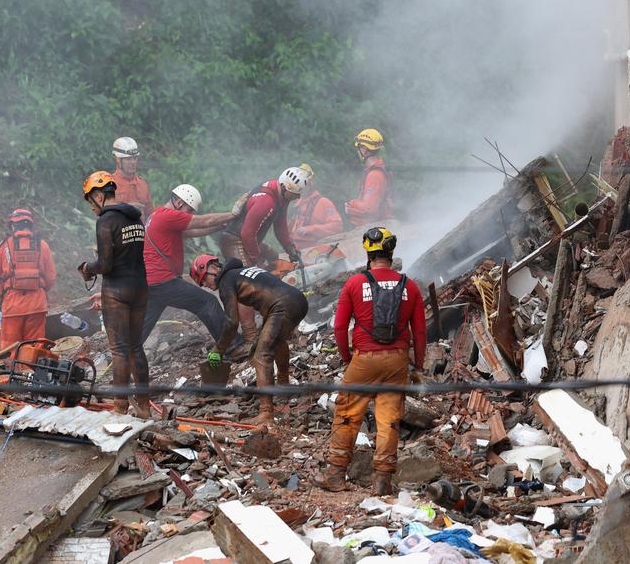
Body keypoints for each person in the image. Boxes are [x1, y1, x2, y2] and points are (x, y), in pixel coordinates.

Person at [315, 227, 425, 495]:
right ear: (391, 253)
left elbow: (340, 327)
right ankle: (382, 481)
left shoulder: (354, 284)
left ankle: (335, 475)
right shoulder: (409, 286)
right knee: (389, 418)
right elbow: (420, 331)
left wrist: (346, 357)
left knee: (348, 413)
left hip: (364, 358)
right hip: (397, 360)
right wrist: (418, 364)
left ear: (368, 252)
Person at [190, 254, 309, 425]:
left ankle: (266, 413)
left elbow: (231, 322)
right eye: (202, 284)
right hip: (298, 300)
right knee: (276, 341)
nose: (207, 286)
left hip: (281, 307)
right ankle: (284, 385)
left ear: (213, 268)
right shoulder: (241, 271)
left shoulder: (226, 281)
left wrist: (219, 349)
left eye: (204, 280)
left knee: (261, 357)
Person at [78, 171, 150, 417]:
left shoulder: (106, 221)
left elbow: (106, 265)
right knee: (136, 348)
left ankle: (119, 407)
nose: (91, 207)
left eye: (90, 201)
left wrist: (88, 267)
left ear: (99, 195)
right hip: (140, 288)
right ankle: (144, 406)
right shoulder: (135, 219)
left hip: (117, 291)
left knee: (119, 350)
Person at [139, 184, 242, 349]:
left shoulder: (156, 216)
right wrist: (232, 214)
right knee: (207, 302)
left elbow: (193, 231)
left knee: (140, 333)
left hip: (150, 283)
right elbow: (204, 221)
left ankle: (122, 364)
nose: (191, 214)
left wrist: (222, 226)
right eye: (190, 209)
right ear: (179, 203)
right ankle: (233, 346)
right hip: (163, 280)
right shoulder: (168, 215)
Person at [0, 208, 57, 351]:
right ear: (30, 225)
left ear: (13, 225)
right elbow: (51, 277)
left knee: (10, 350)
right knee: (34, 348)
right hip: (37, 306)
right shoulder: (42, 245)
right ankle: (31, 372)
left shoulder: (3, 246)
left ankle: (12, 373)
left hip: (12, 305)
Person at [218, 166, 309, 268]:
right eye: (294, 195)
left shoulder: (282, 196)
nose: (297, 198)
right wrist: (258, 260)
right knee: (252, 275)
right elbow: (247, 234)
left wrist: (289, 247)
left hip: (250, 238)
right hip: (234, 239)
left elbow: (280, 225)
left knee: (273, 258)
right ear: (284, 187)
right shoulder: (266, 201)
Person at [345, 129, 394, 228]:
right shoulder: (380, 170)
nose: (358, 151)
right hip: (381, 223)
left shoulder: (375, 175)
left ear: (365, 149)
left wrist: (351, 205)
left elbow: (369, 208)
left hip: (378, 226)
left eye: (359, 147)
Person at [288, 164, 344, 249]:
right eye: (299, 184)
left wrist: (311, 229)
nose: (301, 187)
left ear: (311, 183)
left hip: (316, 250)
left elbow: (337, 225)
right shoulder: (297, 205)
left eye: (304, 184)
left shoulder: (323, 202)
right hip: (297, 251)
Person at [111, 136, 152, 218]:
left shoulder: (142, 184)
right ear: (118, 159)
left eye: (135, 158)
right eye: (128, 159)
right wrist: (126, 208)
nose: (133, 162)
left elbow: (150, 215)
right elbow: (103, 215)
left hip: (140, 230)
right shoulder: (109, 184)